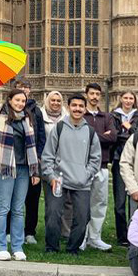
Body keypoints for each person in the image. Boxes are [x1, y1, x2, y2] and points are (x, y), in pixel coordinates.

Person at [0, 89, 41, 261]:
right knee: (3, 208)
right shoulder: (0, 118)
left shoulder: (27, 119)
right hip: (6, 167)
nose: (20, 103)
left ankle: (17, 247)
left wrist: (35, 170)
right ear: (9, 100)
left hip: (23, 168)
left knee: (18, 209)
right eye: (17, 100)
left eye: (23, 101)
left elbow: (32, 146)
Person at [40, 93, 101, 254]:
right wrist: (51, 176)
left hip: (82, 182)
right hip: (58, 180)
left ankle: (73, 248)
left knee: (83, 216)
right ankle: (52, 247)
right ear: (68, 107)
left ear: (85, 109)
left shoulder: (90, 132)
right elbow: (48, 155)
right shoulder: (59, 128)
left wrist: (86, 174)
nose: (77, 109)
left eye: (81, 106)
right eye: (74, 105)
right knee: (53, 214)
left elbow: (95, 159)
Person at [81, 82, 116, 251]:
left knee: (100, 203)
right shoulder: (81, 115)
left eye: (97, 94)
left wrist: (92, 136)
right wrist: (102, 136)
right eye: (92, 93)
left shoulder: (107, 117)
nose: (94, 97)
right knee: (82, 203)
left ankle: (95, 237)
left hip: (102, 165)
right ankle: (81, 237)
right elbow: (80, 137)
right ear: (86, 95)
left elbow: (113, 137)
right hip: (83, 165)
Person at [14, 79, 47, 245]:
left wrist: (38, 155)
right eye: (21, 88)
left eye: (26, 88)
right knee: (13, 197)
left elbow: (41, 135)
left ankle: (29, 232)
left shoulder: (36, 111)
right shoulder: (8, 110)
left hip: (33, 161)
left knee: (33, 198)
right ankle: (10, 230)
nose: (24, 90)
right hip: (16, 161)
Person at [111, 90, 138, 245]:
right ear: (120, 99)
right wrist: (126, 134)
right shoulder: (113, 115)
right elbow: (112, 136)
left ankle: (134, 234)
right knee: (120, 202)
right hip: (118, 159)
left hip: (136, 162)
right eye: (125, 98)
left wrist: (129, 128)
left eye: (130, 98)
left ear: (134, 100)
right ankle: (122, 237)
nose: (128, 100)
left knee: (135, 201)